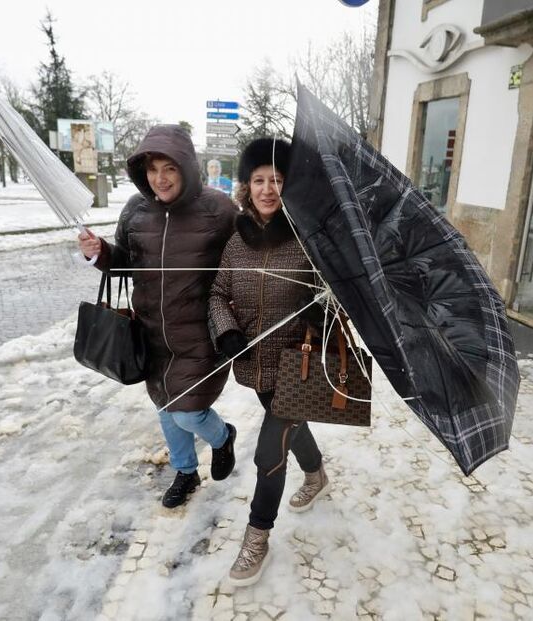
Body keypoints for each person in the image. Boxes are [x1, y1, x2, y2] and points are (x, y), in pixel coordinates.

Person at [78, 124, 238, 509]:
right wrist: (99, 251)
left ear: (186, 167)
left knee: (190, 412)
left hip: (201, 334)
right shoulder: (135, 209)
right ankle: (186, 471)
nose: (160, 179)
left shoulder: (218, 209)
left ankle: (223, 437)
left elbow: (241, 265)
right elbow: (124, 265)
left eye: (169, 168)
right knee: (166, 408)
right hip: (150, 332)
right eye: (152, 170)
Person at [209, 138, 330, 586]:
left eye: (277, 179)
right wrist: (227, 331)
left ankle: (257, 535)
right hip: (254, 365)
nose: (267, 188)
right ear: (246, 186)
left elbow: (329, 300)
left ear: (288, 185)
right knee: (287, 434)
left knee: (268, 453)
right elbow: (219, 292)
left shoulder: (307, 239)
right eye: (259, 179)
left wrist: (318, 316)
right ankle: (317, 475)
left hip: (296, 364)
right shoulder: (236, 242)